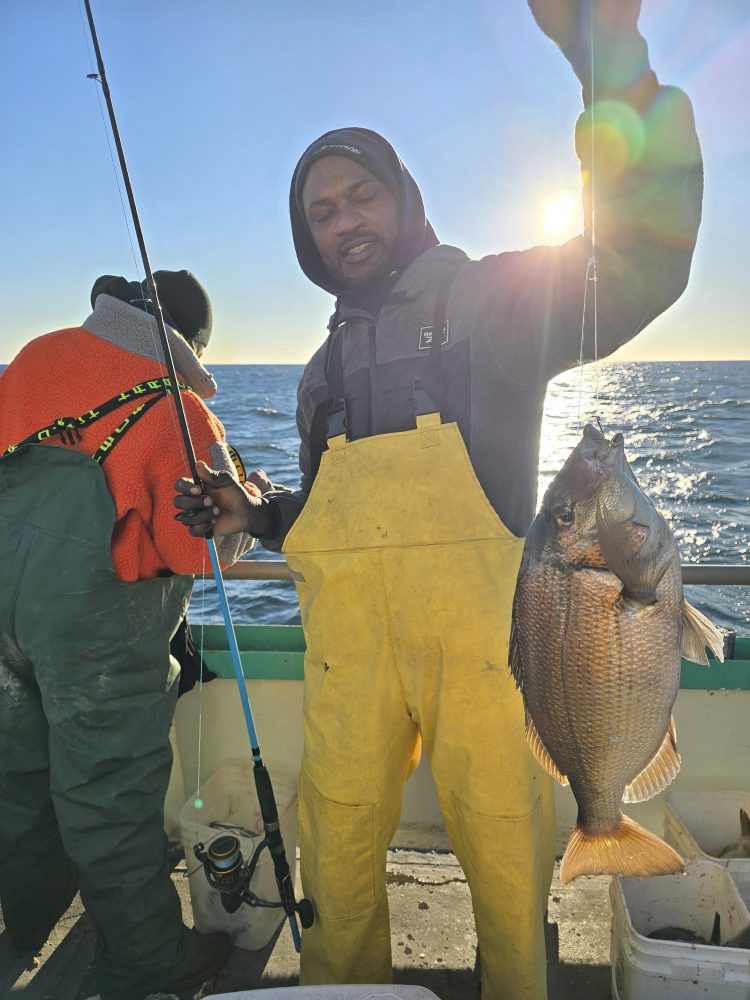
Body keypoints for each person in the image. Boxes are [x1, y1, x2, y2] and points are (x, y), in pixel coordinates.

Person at [174, 2, 703, 997]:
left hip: (491, 657)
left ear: (404, 197)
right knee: (335, 857)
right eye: (319, 213)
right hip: (350, 659)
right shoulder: (319, 374)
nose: (342, 224)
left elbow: (644, 260)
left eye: (358, 196)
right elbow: (330, 518)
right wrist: (257, 513)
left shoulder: (490, 306)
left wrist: (613, 61)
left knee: (507, 864)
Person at [0, 270, 257, 1000]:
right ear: (191, 342)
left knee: (16, 777)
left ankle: (26, 918)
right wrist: (250, 510)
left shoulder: (33, 357)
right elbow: (195, 550)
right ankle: (144, 954)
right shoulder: (181, 412)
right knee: (106, 795)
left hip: (2, 610)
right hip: (96, 640)